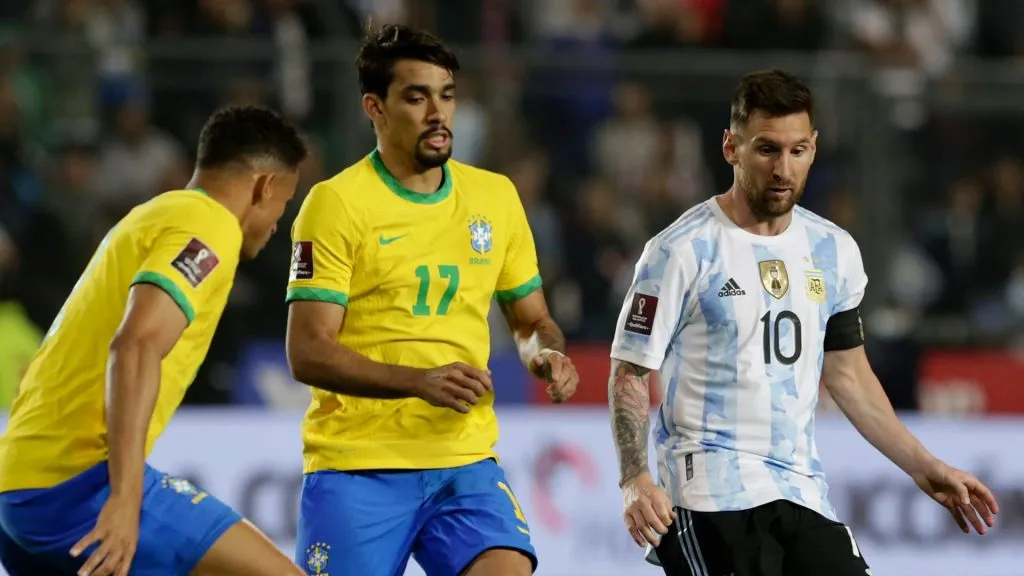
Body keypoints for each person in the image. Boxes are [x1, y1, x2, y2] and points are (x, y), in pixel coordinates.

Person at [607, 69, 999, 576]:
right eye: (767, 149)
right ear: (731, 147)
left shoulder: (832, 251)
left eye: (798, 151)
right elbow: (630, 372)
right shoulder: (681, 251)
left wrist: (926, 467)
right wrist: (635, 478)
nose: (783, 168)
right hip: (708, 496)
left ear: (814, 147)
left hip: (801, 492)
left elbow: (850, 377)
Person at [285, 23, 579, 576]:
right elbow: (308, 352)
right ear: (375, 107)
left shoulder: (495, 197)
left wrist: (546, 354)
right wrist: (418, 381)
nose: (437, 112)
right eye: (416, 97)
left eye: (445, 95)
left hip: (463, 462)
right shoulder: (336, 204)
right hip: (358, 466)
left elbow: (531, 317)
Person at [0, 105, 309, 576]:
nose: (275, 225)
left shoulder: (153, 215)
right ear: (265, 186)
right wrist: (125, 500)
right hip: (78, 487)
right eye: (284, 203)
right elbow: (135, 344)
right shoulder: (210, 227)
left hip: (20, 484)